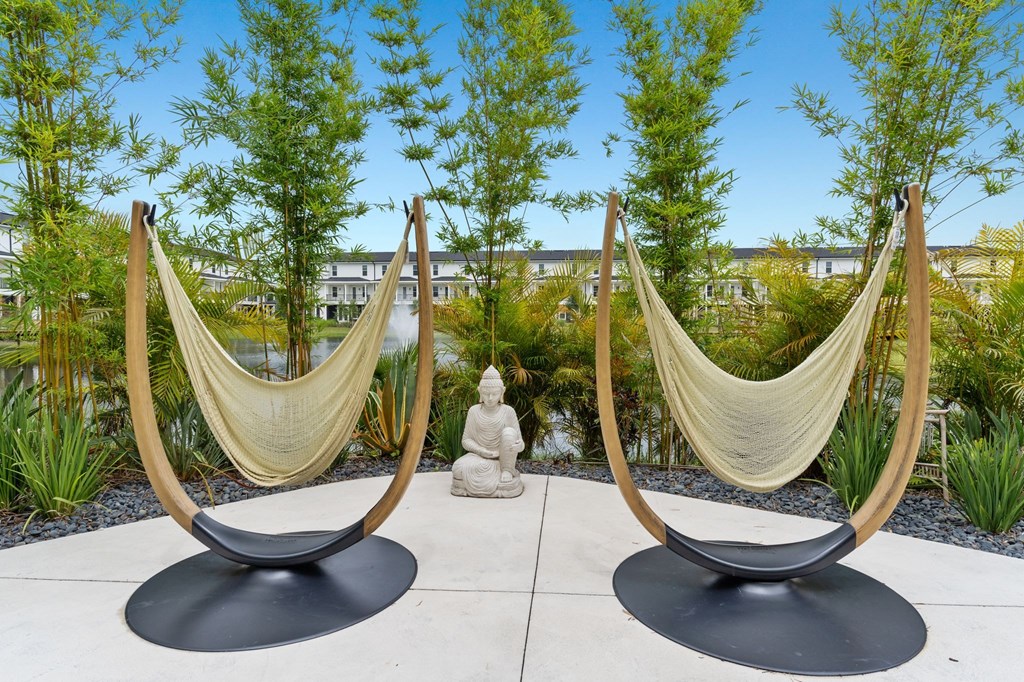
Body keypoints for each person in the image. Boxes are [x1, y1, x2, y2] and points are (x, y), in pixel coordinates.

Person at [450, 365, 525, 498]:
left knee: (508, 432)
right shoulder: (474, 411)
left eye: (494, 393)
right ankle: (498, 481)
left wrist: (518, 446)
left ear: (502, 392)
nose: (490, 398)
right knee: (457, 468)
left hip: (502, 459)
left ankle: (506, 471)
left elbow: (519, 441)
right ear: (479, 391)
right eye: (486, 393)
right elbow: (466, 440)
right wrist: (482, 451)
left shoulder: (508, 411)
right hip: (478, 457)